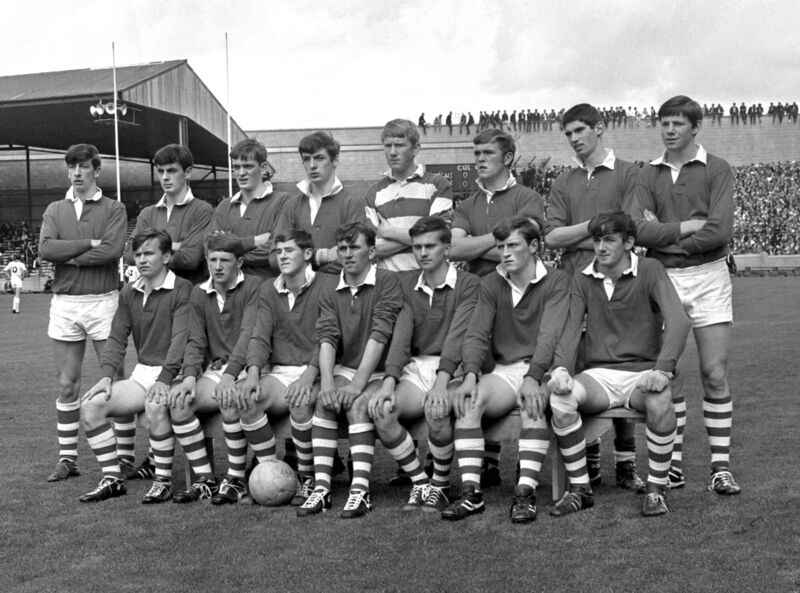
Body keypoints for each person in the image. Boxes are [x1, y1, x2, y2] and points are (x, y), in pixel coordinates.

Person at [631, 95, 741, 495]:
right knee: (668, 375)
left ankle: (720, 467)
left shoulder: (718, 169)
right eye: (664, 123)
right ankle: (672, 466)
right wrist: (686, 229)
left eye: (678, 123)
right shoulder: (648, 173)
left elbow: (719, 231)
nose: (670, 130)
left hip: (710, 275)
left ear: (696, 127)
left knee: (714, 373)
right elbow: (638, 231)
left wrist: (665, 235)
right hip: (664, 280)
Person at [548, 211, 691, 518]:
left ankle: (656, 489)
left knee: (661, 398)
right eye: (597, 239)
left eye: (609, 240)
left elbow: (679, 321)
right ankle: (580, 490)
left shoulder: (651, 269)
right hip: (598, 375)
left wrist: (663, 369)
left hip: (642, 372)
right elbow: (571, 328)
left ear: (628, 242)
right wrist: (560, 369)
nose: (601, 247)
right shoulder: (583, 277)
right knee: (561, 398)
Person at [442, 217, 569, 523]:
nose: (506, 254)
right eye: (501, 247)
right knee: (469, 401)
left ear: (534, 246)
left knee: (533, 405)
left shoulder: (557, 280)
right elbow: (476, 333)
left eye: (513, 245)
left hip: (542, 370)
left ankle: (525, 494)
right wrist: (470, 374)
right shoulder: (490, 283)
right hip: (503, 370)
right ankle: (472, 494)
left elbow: (549, 335)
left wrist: (535, 376)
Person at [544, 103, 644, 492]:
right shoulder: (563, 181)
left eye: (580, 131)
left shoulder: (627, 172)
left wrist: (583, 233)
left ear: (599, 129)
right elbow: (551, 237)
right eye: (568, 134)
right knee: (581, 367)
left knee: (620, 363)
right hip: (575, 284)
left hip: (619, 284)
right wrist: (596, 227)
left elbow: (627, 227)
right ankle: (586, 459)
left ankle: (625, 463)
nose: (574, 139)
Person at [449, 128, 545, 484]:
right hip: (480, 293)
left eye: (487, 153)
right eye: (476, 153)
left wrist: (479, 242)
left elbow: (529, 242)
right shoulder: (467, 203)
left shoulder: (527, 196)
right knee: (483, 368)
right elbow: (455, 250)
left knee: (520, 367)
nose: (479, 159)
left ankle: (524, 462)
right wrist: (509, 239)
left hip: (522, 295)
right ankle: (487, 464)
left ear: (507, 158)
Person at [368, 216, 480, 512]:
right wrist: (389, 382)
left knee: (437, 409)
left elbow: (459, 336)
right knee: (382, 409)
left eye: (430, 246)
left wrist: (442, 383)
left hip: (455, 366)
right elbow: (401, 337)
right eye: (417, 247)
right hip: (417, 367)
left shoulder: (469, 284)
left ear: (447, 248)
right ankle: (421, 482)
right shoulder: (405, 284)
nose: (423, 253)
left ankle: (440, 486)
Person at [78, 229, 192, 503]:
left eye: (149, 253)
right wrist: (106, 376)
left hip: (178, 374)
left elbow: (180, 340)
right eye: (138, 254)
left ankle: (163, 481)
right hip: (143, 373)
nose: (141, 259)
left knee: (155, 405)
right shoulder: (129, 292)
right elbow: (117, 338)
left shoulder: (183, 289)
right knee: (91, 405)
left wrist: (165, 379)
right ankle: (113, 479)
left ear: (166, 256)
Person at [299, 222, 403, 518]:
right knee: (324, 401)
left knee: (358, 405)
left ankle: (360, 491)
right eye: (342, 248)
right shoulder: (330, 286)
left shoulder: (387, 280)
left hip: (382, 370)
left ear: (371, 252)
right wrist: (329, 382)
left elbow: (381, 332)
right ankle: (322, 489)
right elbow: (327, 336)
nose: (347, 254)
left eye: (354, 247)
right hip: (348, 367)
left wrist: (356, 385)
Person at [39, 143, 128, 483]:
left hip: (104, 300)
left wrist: (71, 255)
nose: (76, 173)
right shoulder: (55, 208)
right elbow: (46, 248)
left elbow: (113, 250)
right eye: (72, 167)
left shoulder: (114, 208)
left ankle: (123, 458)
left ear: (96, 170)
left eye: (83, 167)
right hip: (66, 304)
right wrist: (88, 244)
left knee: (115, 383)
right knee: (66, 385)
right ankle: (68, 459)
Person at [237, 228, 333, 507]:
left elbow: (330, 336)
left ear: (307, 254)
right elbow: (259, 335)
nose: (282, 256)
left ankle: (306, 477)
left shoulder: (327, 284)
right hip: (279, 372)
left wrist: (308, 376)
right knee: (247, 397)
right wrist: (253, 373)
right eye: (278, 252)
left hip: (318, 370)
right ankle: (270, 473)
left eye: (289, 250)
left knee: (300, 401)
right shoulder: (269, 288)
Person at [165, 233, 262, 504]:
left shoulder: (254, 286)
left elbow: (248, 334)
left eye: (225, 260)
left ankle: (236, 479)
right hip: (216, 369)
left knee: (229, 397)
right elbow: (195, 341)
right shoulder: (199, 292)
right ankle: (206, 479)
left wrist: (231, 375)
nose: (217, 266)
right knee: (180, 403)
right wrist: (188, 378)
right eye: (212, 260)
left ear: (240, 261)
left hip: (249, 366)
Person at [365, 119, 453, 273]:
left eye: (399, 145)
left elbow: (439, 238)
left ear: (415, 149)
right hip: (388, 284)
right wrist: (420, 235)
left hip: (427, 281)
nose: (392, 152)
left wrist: (388, 232)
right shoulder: (374, 193)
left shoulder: (437, 185)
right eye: (387, 146)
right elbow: (369, 249)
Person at [274, 132, 366, 275]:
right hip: (300, 293)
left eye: (319, 158)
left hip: (339, 292)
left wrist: (309, 272)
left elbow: (355, 256)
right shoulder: (291, 206)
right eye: (306, 159)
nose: (312, 165)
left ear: (335, 160)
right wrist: (322, 255)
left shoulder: (352, 202)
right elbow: (274, 257)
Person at [126, 144, 213, 284]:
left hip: (189, 296)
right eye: (161, 171)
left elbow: (190, 259)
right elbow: (130, 255)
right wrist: (177, 245)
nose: (165, 177)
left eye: (172, 171)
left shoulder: (203, 210)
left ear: (188, 172)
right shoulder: (147, 213)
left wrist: (149, 252)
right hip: (152, 296)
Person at [209, 139, 292, 279]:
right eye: (236, 167)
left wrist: (230, 255)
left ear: (264, 167)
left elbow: (276, 250)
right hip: (230, 291)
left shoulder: (283, 201)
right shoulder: (224, 206)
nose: (241, 173)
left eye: (247, 166)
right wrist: (253, 241)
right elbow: (211, 247)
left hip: (266, 290)